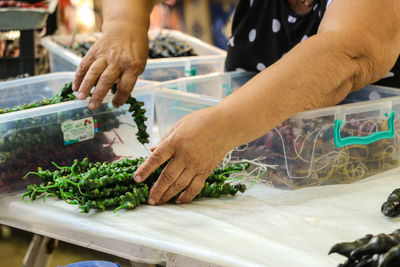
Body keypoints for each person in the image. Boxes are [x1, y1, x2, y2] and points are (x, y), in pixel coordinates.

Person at [72, 0, 400, 205]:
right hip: (260, 189)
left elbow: (345, 54)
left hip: (366, 193)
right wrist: (123, 24)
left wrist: (223, 126)